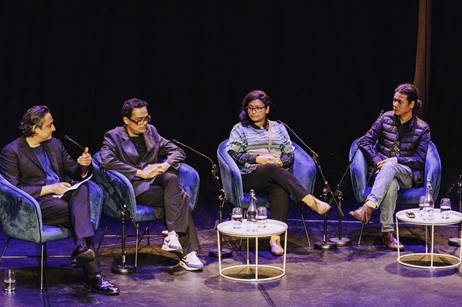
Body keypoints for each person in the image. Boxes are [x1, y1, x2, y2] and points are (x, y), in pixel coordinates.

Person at [0, 105, 119, 295]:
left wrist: (83, 166)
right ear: (35, 128)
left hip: (62, 194)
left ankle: (82, 250)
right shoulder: (12, 151)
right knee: (80, 215)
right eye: (49, 125)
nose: (54, 129)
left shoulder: (54, 144)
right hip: (36, 203)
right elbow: (14, 190)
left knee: (82, 190)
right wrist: (49, 189)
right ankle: (93, 276)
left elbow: (73, 170)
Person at [98, 98, 204, 271]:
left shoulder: (151, 131)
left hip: (154, 180)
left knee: (171, 179)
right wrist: (140, 173)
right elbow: (106, 161)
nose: (144, 123)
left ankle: (173, 235)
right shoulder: (114, 136)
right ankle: (188, 253)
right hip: (133, 187)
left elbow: (178, 151)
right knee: (179, 198)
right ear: (126, 120)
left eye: (146, 118)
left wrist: (164, 165)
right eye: (138, 120)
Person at [226, 90, 332, 256]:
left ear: (267, 109)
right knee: (271, 168)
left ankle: (275, 239)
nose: (253, 112)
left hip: (275, 173)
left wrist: (281, 162)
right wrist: (258, 159)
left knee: (280, 190)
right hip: (249, 175)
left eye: (258, 108)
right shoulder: (240, 129)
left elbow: (290, 153)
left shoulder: (278, 128)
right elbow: (233, 154)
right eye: (250, 108)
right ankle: (309, 200)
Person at [349, 84, 431, 251]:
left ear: (411, 104)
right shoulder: (385, 118)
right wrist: (378, 160)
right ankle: (387, 234)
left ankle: (369, 206)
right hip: (383, 173)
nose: (395, 104)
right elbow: (365, 141)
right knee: (391, 183)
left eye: (400, 101)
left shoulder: (423, 128)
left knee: (391, 167)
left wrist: (396, 160)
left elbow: (419, 160)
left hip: (406, 174)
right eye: (394, 100)